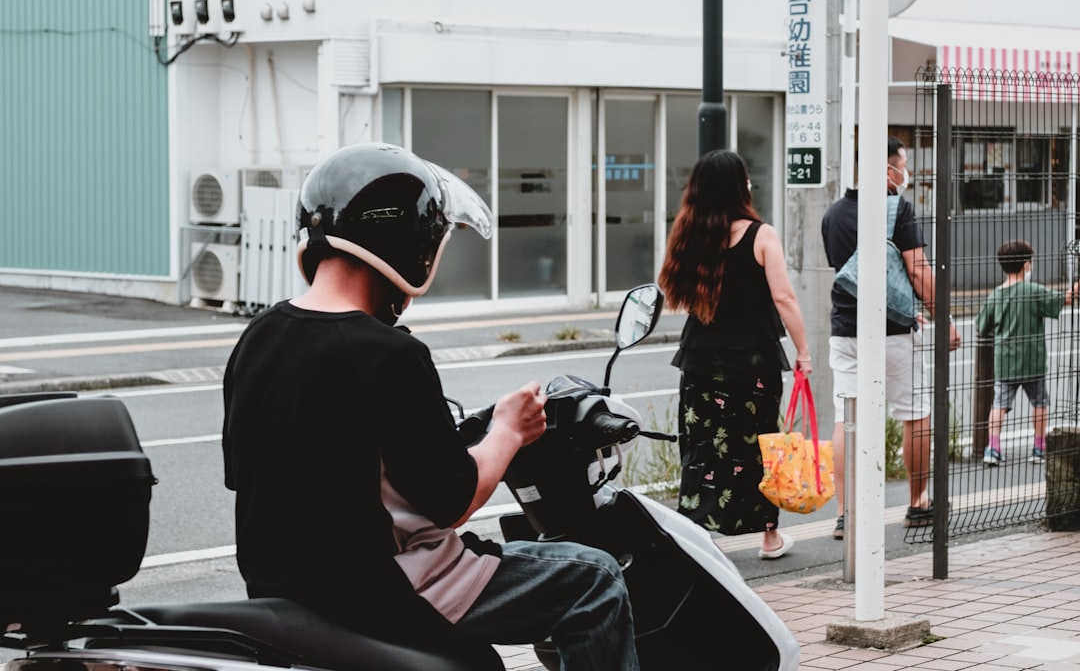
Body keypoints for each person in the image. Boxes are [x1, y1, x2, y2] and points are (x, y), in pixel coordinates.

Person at [222, 143, 639, 670]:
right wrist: (509, 430)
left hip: (280, 593)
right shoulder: (390, 353)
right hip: (382, 588)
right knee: (596, 579)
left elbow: (261, 473)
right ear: (407, 244)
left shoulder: (257, 337)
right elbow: (451, 503)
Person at [658, 149, 812, 560]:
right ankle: (768, 538)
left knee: (702, 446)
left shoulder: (688, 234)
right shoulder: (761, 234)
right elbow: (784, 298)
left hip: (700, 360)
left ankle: (698, 537)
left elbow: (677, 296)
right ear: (738, 185)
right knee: (758, 445)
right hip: (754, 362)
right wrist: (803, 350)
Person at [821, 136, 962, 539]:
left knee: (847, 418)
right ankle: (918, 503)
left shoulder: (833, 214)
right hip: (893, 332)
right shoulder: (896, 208)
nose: (907, 173)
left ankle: (846, 513)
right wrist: (943, 317)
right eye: (903, 165)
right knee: (914, 411)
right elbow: (916, 271)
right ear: (888, 170)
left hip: (845, 331)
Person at [976, 239, 1074, 465]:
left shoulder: (995, 295)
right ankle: (1039, 448)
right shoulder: (1034, 291)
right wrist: (1074, 289)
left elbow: (981, 326)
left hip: (1005, 363)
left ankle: (993, 448)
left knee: (999, 404)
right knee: (1039, 403)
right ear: (1027, 265)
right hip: (1033, 361)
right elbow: (1064, 299)